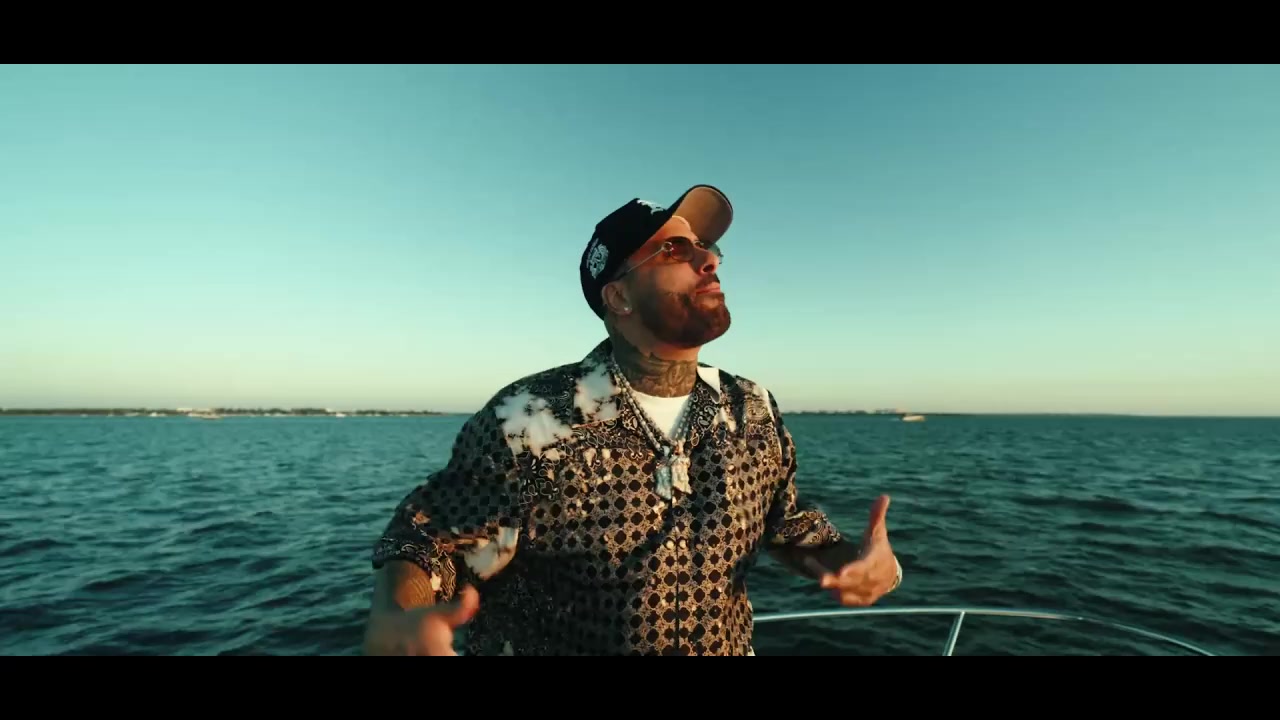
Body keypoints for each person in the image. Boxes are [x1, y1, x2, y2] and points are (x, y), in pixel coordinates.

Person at [362, 184, 902, 656]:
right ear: (618, 296)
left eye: (708, 247)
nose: (709, 260)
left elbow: (787, 527)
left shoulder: (751, 408)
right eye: (675, 249)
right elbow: (429, 538)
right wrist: (398, 614)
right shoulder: (530, 419)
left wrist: (862, 563)